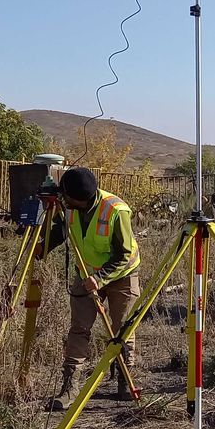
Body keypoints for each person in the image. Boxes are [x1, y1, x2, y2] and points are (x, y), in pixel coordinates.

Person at [37, 167, 141, 410]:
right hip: (86, 273)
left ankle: (125, 379)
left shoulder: (116, 210)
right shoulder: (68, 207)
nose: (63, 199)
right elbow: (61, 230)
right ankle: (70, 387)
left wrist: (101, 278)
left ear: (80, 199)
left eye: (66, 196)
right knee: (79, 328)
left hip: (121, 274)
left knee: (122, 328)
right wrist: (43, 247)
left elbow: (124, 254)